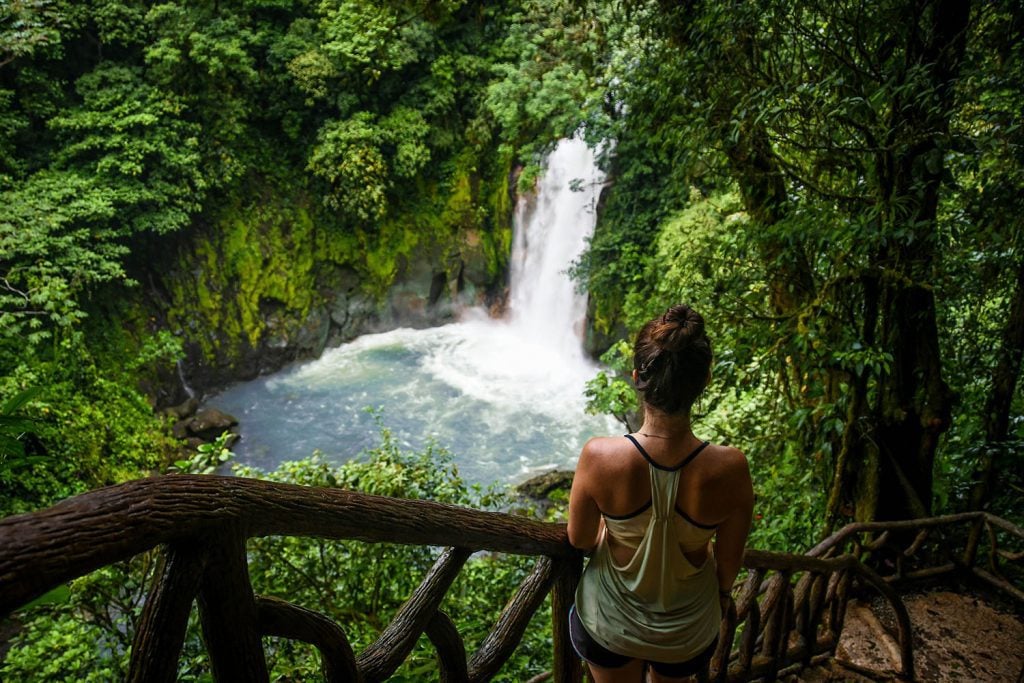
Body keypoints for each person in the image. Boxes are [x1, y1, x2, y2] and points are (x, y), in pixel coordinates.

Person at [567, 304, 754, 682]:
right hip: (686, 631)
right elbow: (727, 567)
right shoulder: (730, 468)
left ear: (637, 377)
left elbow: (581, 538)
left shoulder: (600, 457)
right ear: (704, 382)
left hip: (610, 621)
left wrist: (613, 528)